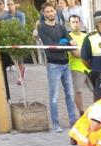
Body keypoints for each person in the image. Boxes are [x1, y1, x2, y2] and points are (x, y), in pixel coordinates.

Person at [37, 1, 78, 132]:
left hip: (65, 63)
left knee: (70, 94)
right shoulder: (41, 28)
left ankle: (73, 121)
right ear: (44, 14)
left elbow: (71, 43)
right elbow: (52, 46)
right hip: (53, 64)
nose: (50, 13)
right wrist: (65, 42)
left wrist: (66, 43)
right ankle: (55, 124)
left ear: (55, 11)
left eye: (51, 11)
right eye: (47, 12)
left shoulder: (61, 27)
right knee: (54, 96)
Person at [67, 14, 91, 116]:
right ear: (70, 24)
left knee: (97, 89)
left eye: (77, 22)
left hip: (90, 67)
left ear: (80, 23)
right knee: (78, 92)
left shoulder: (86, 36)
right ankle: (81, 112)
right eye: (73, 22)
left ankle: (98, 112)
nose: (75, 24)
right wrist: (85, 53)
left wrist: (84, 53)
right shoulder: (69, 37)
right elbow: (75, 54)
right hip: (76, 68)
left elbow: (91, 51)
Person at [2, 1, 27, 85]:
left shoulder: (21, 15)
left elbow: (22, 27)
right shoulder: (5, 16)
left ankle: (21, 76)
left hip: (19, 38)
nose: (9, 6)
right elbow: (5, 27)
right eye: (8, 5)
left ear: (15, 5)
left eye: (11, 4)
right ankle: (22, 69)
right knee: (13, 58)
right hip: (10, 39)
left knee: (19, 58)